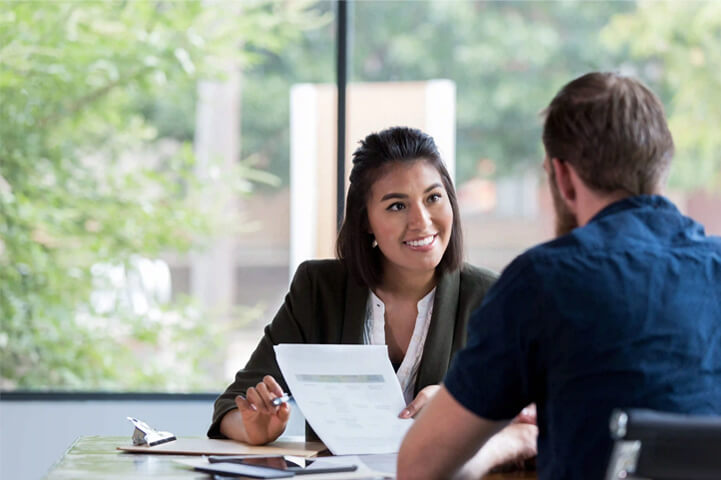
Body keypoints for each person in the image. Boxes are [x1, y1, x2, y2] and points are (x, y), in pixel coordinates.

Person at [398, 72, 721, 480]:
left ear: (563, 177)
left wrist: (510, 440)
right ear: (662, 164)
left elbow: (419, 467)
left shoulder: (544, 281)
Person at [208, 127, 537, 470]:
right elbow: (233, 404)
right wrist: (251, 428)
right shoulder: (319, 289)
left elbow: (534, 413)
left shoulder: (491, 298)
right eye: (397, 206)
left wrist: (461, 405)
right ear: (366, 220)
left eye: (433, 198)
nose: (421, 221)